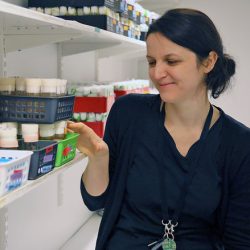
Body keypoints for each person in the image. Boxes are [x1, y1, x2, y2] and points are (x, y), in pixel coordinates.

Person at [68, 8, 250, 250]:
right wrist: (99, 159)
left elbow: (240, 240)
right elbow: (95, 200)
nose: (157, 73)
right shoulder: (128, 113)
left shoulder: (238, 143)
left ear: (208, 61)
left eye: (171, 61)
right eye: (152, 62)